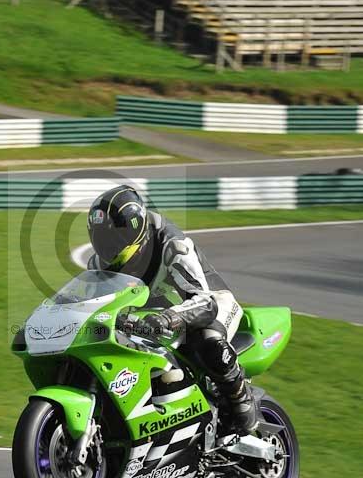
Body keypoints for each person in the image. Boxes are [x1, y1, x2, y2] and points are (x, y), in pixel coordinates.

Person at [86, 184, 257, 434]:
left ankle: (242, 399)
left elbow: (204, 302)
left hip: (207, 302)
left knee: (209, 343)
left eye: (111, 237)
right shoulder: (99, 264)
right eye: (100, 237)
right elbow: (92, 306)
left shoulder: (172, 244)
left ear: (133, 230)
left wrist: (169, 318)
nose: (106, 245)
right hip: (151, 317)